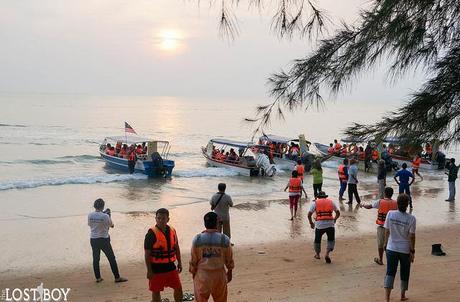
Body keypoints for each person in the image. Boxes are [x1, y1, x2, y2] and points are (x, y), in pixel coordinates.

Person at [189, 212, 234, 302]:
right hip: (219, 275)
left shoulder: (197, 239)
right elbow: (229, 258)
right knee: (221, 299)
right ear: (217, 224)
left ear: (205, 224)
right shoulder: (224, 239)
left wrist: (193, 272)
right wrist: (229, 271)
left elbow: (194, 260)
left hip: (203, 275)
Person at [144, 208, 183, 302]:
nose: (161, 220)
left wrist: (180, 262)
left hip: (170, 266)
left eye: (163, 218)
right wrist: (149, 270)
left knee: (178, 288)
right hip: (156, 268)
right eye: (159, 218)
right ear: (155, 219)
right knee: (156, 291)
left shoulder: (173, 230)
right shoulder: (151, 234)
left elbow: (176, 247)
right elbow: (147, 253)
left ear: (168, 219)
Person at [383, 194, 416, 302]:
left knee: (390, 272)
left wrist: (385, 244)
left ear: (397, 203)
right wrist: (412, 251)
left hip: (391, 247)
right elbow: (412, 236)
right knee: (405, 271)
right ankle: (402, 295)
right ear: (407, 205)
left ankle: (387, 298)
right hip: (404, 249)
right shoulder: (411, 218)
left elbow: (387, 231)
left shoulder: (390, 214)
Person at [88, 198, 127, 283]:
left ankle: (98, 277)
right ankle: (117, 277)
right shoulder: (105, 216)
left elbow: (90, 225)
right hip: (103, 239)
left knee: (96, 258)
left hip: (93, 239)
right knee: (111, 258)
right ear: (103, 206)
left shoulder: (90, 215)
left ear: (94, 206)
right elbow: (112, 225)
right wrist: (108, 216)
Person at [361, 187, 397, 265]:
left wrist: (363, 205)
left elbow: (369, 206)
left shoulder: (380, 202)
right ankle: (391, 260)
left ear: (385, 193)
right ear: (392, 194)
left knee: (381, 244)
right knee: (390, 245)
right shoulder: (396, 203)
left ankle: (381, 259)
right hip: (392, 228)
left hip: (382, 227)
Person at [307, 191, 340, 263]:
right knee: (331, 240)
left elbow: (309, 214)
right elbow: (338, 212)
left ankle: (318, 254)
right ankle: (327, 254)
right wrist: (335, 219)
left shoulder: (315, 203)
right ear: (325, 196)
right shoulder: (331, 202)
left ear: (318, 197)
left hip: (319, 225)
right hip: (330, 224)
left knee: (317, 240)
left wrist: (311, 223)